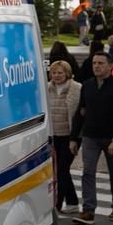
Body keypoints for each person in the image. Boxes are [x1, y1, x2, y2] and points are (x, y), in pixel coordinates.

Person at [70, 51, 113, 225]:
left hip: (111, 138)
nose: (96, 66)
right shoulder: (87, 85)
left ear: (110, 66)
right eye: (94, 63)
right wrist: (74, 138)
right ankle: (88, 211)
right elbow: (80, 113)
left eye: (100, 63)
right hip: (90, 136)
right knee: (87, 172)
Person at [46, 61, 81, 214]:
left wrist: (77, 136)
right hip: (54, 136)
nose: (57, 76)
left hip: (70, 136)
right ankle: (66, 203)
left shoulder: (77, 88)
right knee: (58, 171)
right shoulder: (47, 88)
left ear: (67, 73)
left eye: (60, 72)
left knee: (62, 170)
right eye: (54, 73)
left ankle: (65, 202)